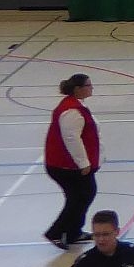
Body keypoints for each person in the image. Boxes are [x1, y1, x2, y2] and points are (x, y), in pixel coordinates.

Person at [43, 74, 100, 249]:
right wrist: (83, 163)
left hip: (68, 164)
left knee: (83, 195)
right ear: (78, 89)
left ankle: (73, 232)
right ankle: (56, 232)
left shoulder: (76, 106)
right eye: (88, 85)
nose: (92, 88)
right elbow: (71, 138)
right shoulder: (71, 111)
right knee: (80, 197)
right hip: (65, 166)